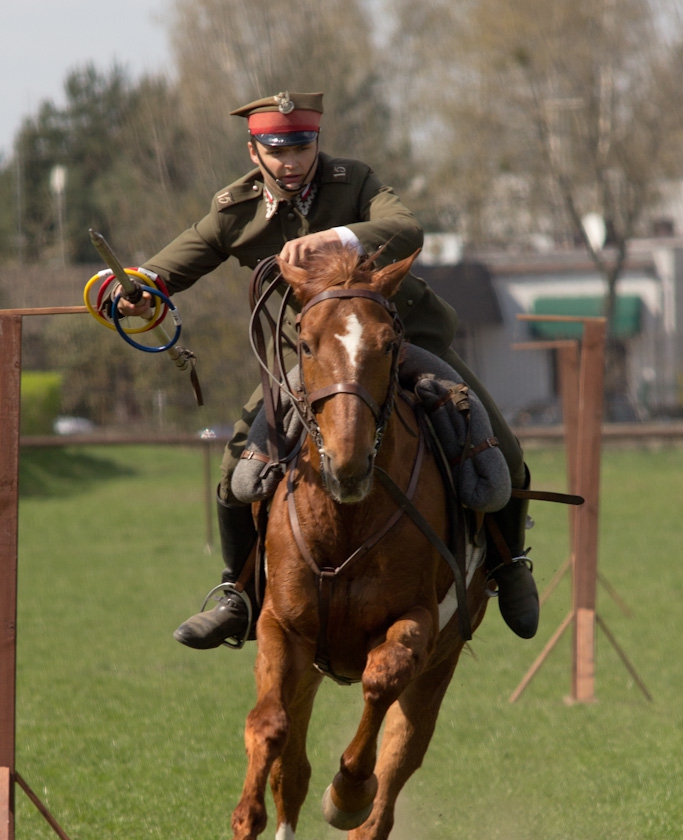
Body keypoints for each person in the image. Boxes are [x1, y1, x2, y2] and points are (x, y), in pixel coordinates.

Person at [116, 91, 539, 648]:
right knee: (236, 467)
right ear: (254, 152)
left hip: (403, 340)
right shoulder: (236, 210)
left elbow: (406, 228)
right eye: (277, 150)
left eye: (302, 147)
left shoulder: (354, 181)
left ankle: (510, 565)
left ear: (316, 143)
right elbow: (167, 268)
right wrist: (136, 292)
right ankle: (237, 595)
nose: (292, 161)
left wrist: (334, 236)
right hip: (316, 360)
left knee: (500, 446)